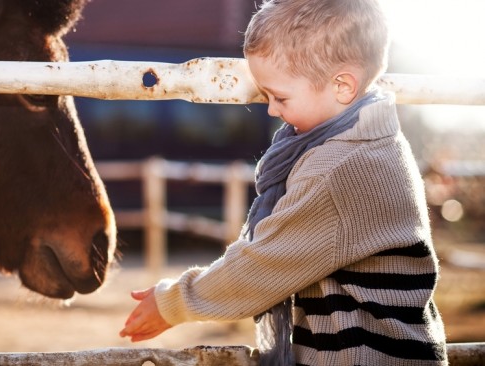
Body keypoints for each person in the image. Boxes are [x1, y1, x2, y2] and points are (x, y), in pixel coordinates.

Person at [119, 0, 448, 364]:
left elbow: (260, 267)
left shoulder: (338, 169)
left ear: (342, 86)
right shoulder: (381, 144)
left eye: (280, 97)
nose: (272, 109)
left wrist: (172, 302)